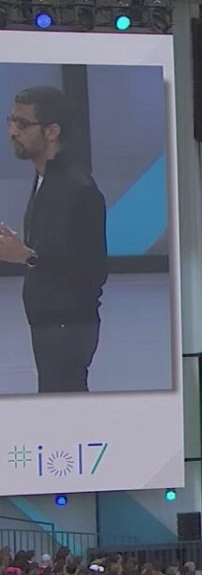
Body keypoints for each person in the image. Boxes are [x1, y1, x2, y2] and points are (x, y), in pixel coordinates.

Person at [0, 85, 108, 392]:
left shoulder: (79, 190)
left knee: (65, 401)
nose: (12, 131)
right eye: (12, 120)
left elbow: (93, 271)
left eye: (22, 123)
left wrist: (27, 256)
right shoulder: (45, 176)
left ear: (52, 131)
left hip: (68, 326)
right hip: (49, 321)